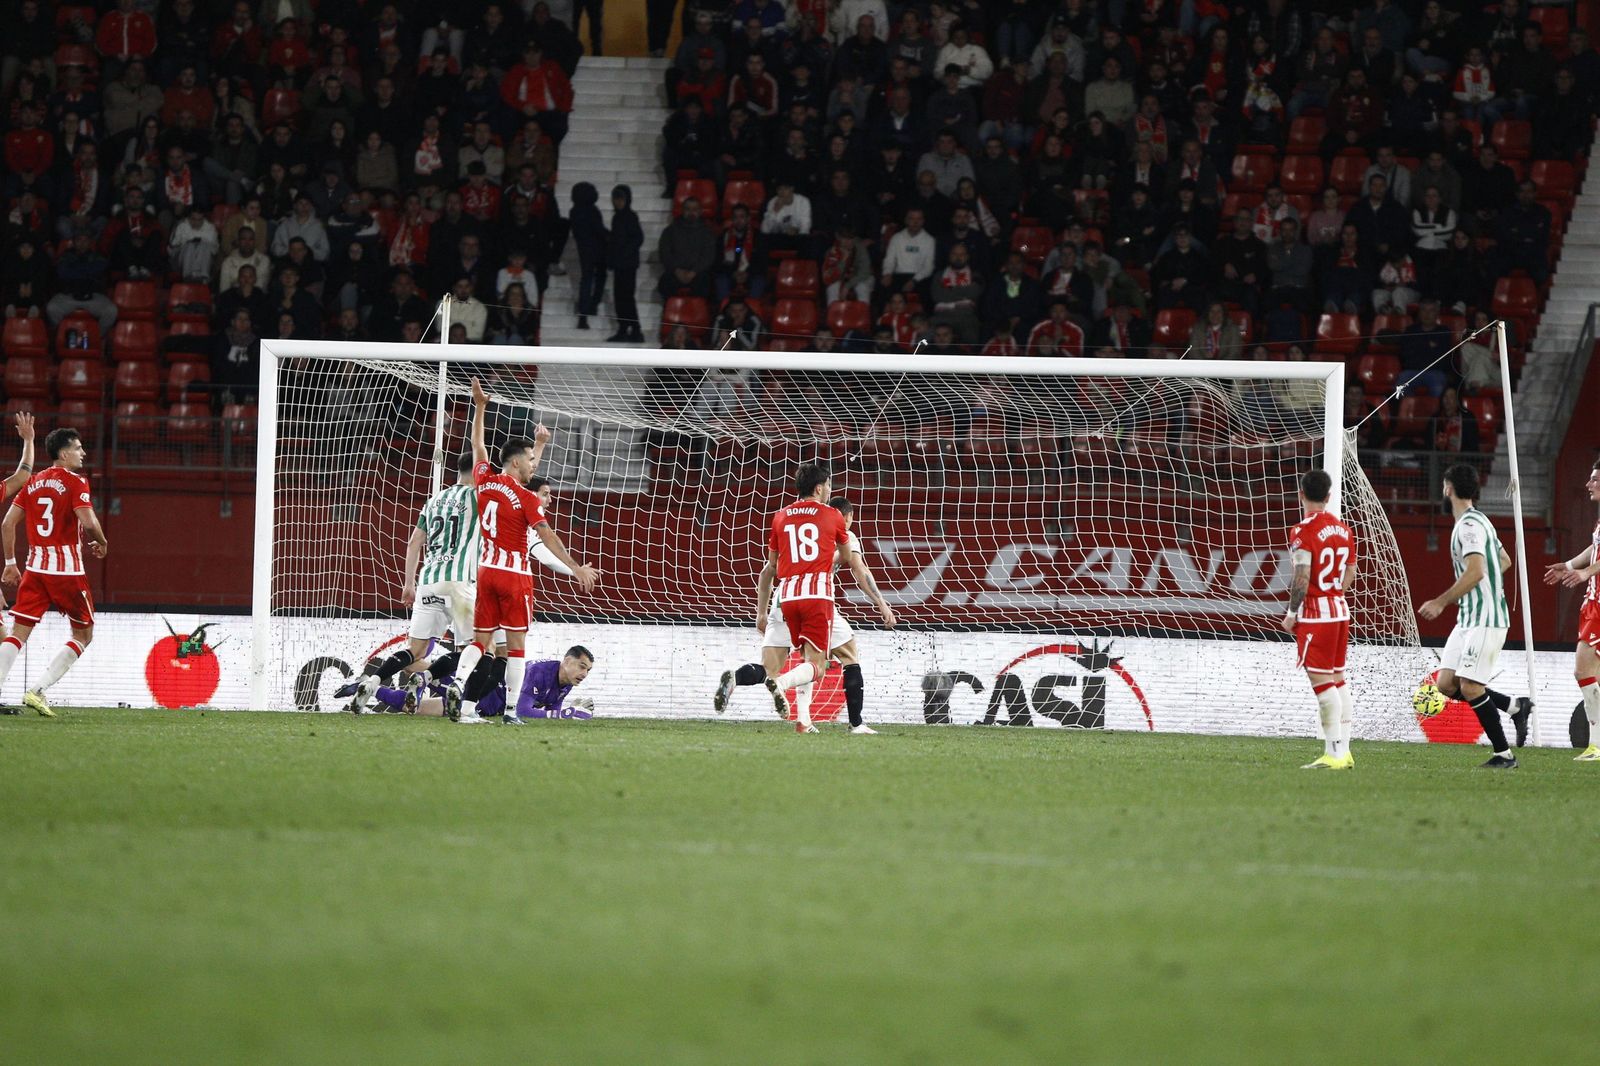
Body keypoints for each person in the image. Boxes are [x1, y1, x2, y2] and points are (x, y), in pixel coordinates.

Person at [449, 379, 597, 725]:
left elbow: (479, 445)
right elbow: (547, 536)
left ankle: (459, 685)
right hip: (514, 576)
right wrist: (575, 567)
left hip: (485, 571)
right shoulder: (529, 499)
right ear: (517, 464)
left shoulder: (484, 480)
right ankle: (512, 712)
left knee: (481, 641)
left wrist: (480, 406)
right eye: (530, 459)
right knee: (515, 648)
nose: (534, 464)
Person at [715, 495, 897, 732]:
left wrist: (761, 613)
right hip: (815, 598)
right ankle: (856, 723)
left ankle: (740, 681)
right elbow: (860, 570)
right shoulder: (842, 531)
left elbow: (767, 572)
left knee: (771, 666)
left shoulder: (796, 527)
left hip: (784, 598)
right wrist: (881, 603)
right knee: (846, 656)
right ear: (848, 516)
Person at [1417, 464, 1532, 765]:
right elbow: (1502, 560)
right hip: (1469, 618)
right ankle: (1515, 707)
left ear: (1447, 488)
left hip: (1486, 618)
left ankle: (1503, 754)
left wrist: (1441, 601)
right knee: (1446, 684)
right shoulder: (1481, 521)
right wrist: (1484, 583)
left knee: (1469, 686)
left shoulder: (1468, 526)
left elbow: (1477, 570)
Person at [0, 425, 107, 718]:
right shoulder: (75, 482)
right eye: (78, 447)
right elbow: (87, 522)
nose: (83, 452)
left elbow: (7, 523)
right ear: (63, 453)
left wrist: (11, 563)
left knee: (17, 633)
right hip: (67, 572)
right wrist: (102, 541)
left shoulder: (33, 482)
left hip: (34, 569)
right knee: (84, 635)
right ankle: (37, 690)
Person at [753, 463, 853, 733]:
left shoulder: (780, 516)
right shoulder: (832, 515)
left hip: (787, 596)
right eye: (829, 485)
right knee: (817, 666)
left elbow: (772, 564)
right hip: (817, 595)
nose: (830, 490)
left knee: (806, 659)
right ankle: (781, 684)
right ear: (819, 488)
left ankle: (804, 721)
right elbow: (845, 556)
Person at [1282, 469, 1358, 769]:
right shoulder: (1344, 529)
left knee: (1323, 685)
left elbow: (1301, 577)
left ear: (1301, 494)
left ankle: (1334, 753)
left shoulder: (1302, 531)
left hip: (1317, 616)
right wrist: (1333, 592)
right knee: (1338, 681)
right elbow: (1350, 572)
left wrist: (1291, 614)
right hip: (1340, 611)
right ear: (1328, 497)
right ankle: (1345, 751)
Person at [1543, 461, 1600, 760]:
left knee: (1583, 671)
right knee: (1593, 676)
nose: (1589, 485)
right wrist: (1568, 565)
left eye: (1595, 480)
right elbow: (1596, 548)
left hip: (1599, 606)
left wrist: (1586, 573)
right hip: (1593, 603)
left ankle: (1597, 745)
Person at [606, 185, 644, 343]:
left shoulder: (630, 217)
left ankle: (635, 330)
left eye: (621, 198)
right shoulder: (618, 217)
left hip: (627, 265)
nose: (618, 202)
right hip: (620, 265)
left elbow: (638, 238)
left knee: (626, 298)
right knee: (620, 298)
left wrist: (623, 253)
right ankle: (624, 328)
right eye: (615, 198)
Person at [568, 182, 606, 331]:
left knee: (587, 279)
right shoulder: (591, 210)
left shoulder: (574, 211)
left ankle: (585, 312)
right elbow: (599, 230)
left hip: (584, 250)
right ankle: (591, 306)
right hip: (597, 249)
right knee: (597, 278)